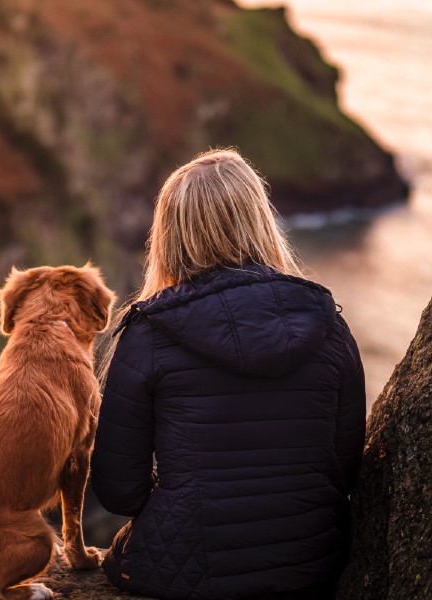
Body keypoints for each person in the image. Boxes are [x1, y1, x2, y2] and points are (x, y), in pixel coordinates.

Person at [90, 149, 366, 600]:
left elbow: (119, 492)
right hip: (311, 565)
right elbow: (344, 468)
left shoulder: (150, 332)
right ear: (259, 219)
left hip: (186, 574)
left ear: (170, 236)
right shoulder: (328, 323)